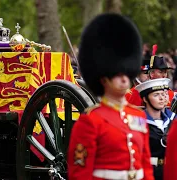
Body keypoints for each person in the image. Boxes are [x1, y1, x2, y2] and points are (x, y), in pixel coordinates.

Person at [67, 14, 154, 180]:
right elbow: (80, 174)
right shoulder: (90, 122)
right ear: (104, 78)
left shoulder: (139, 116)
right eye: (117, 74)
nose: (124, 79)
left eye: (127, 74)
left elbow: (145, 166)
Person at [135, 78, 174, 180]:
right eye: (156, 95)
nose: (161, 98)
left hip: (170, 171)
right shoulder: (137, 122)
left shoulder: (173, 119)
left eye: (163, 94)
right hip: (147, 171)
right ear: (145, 99)